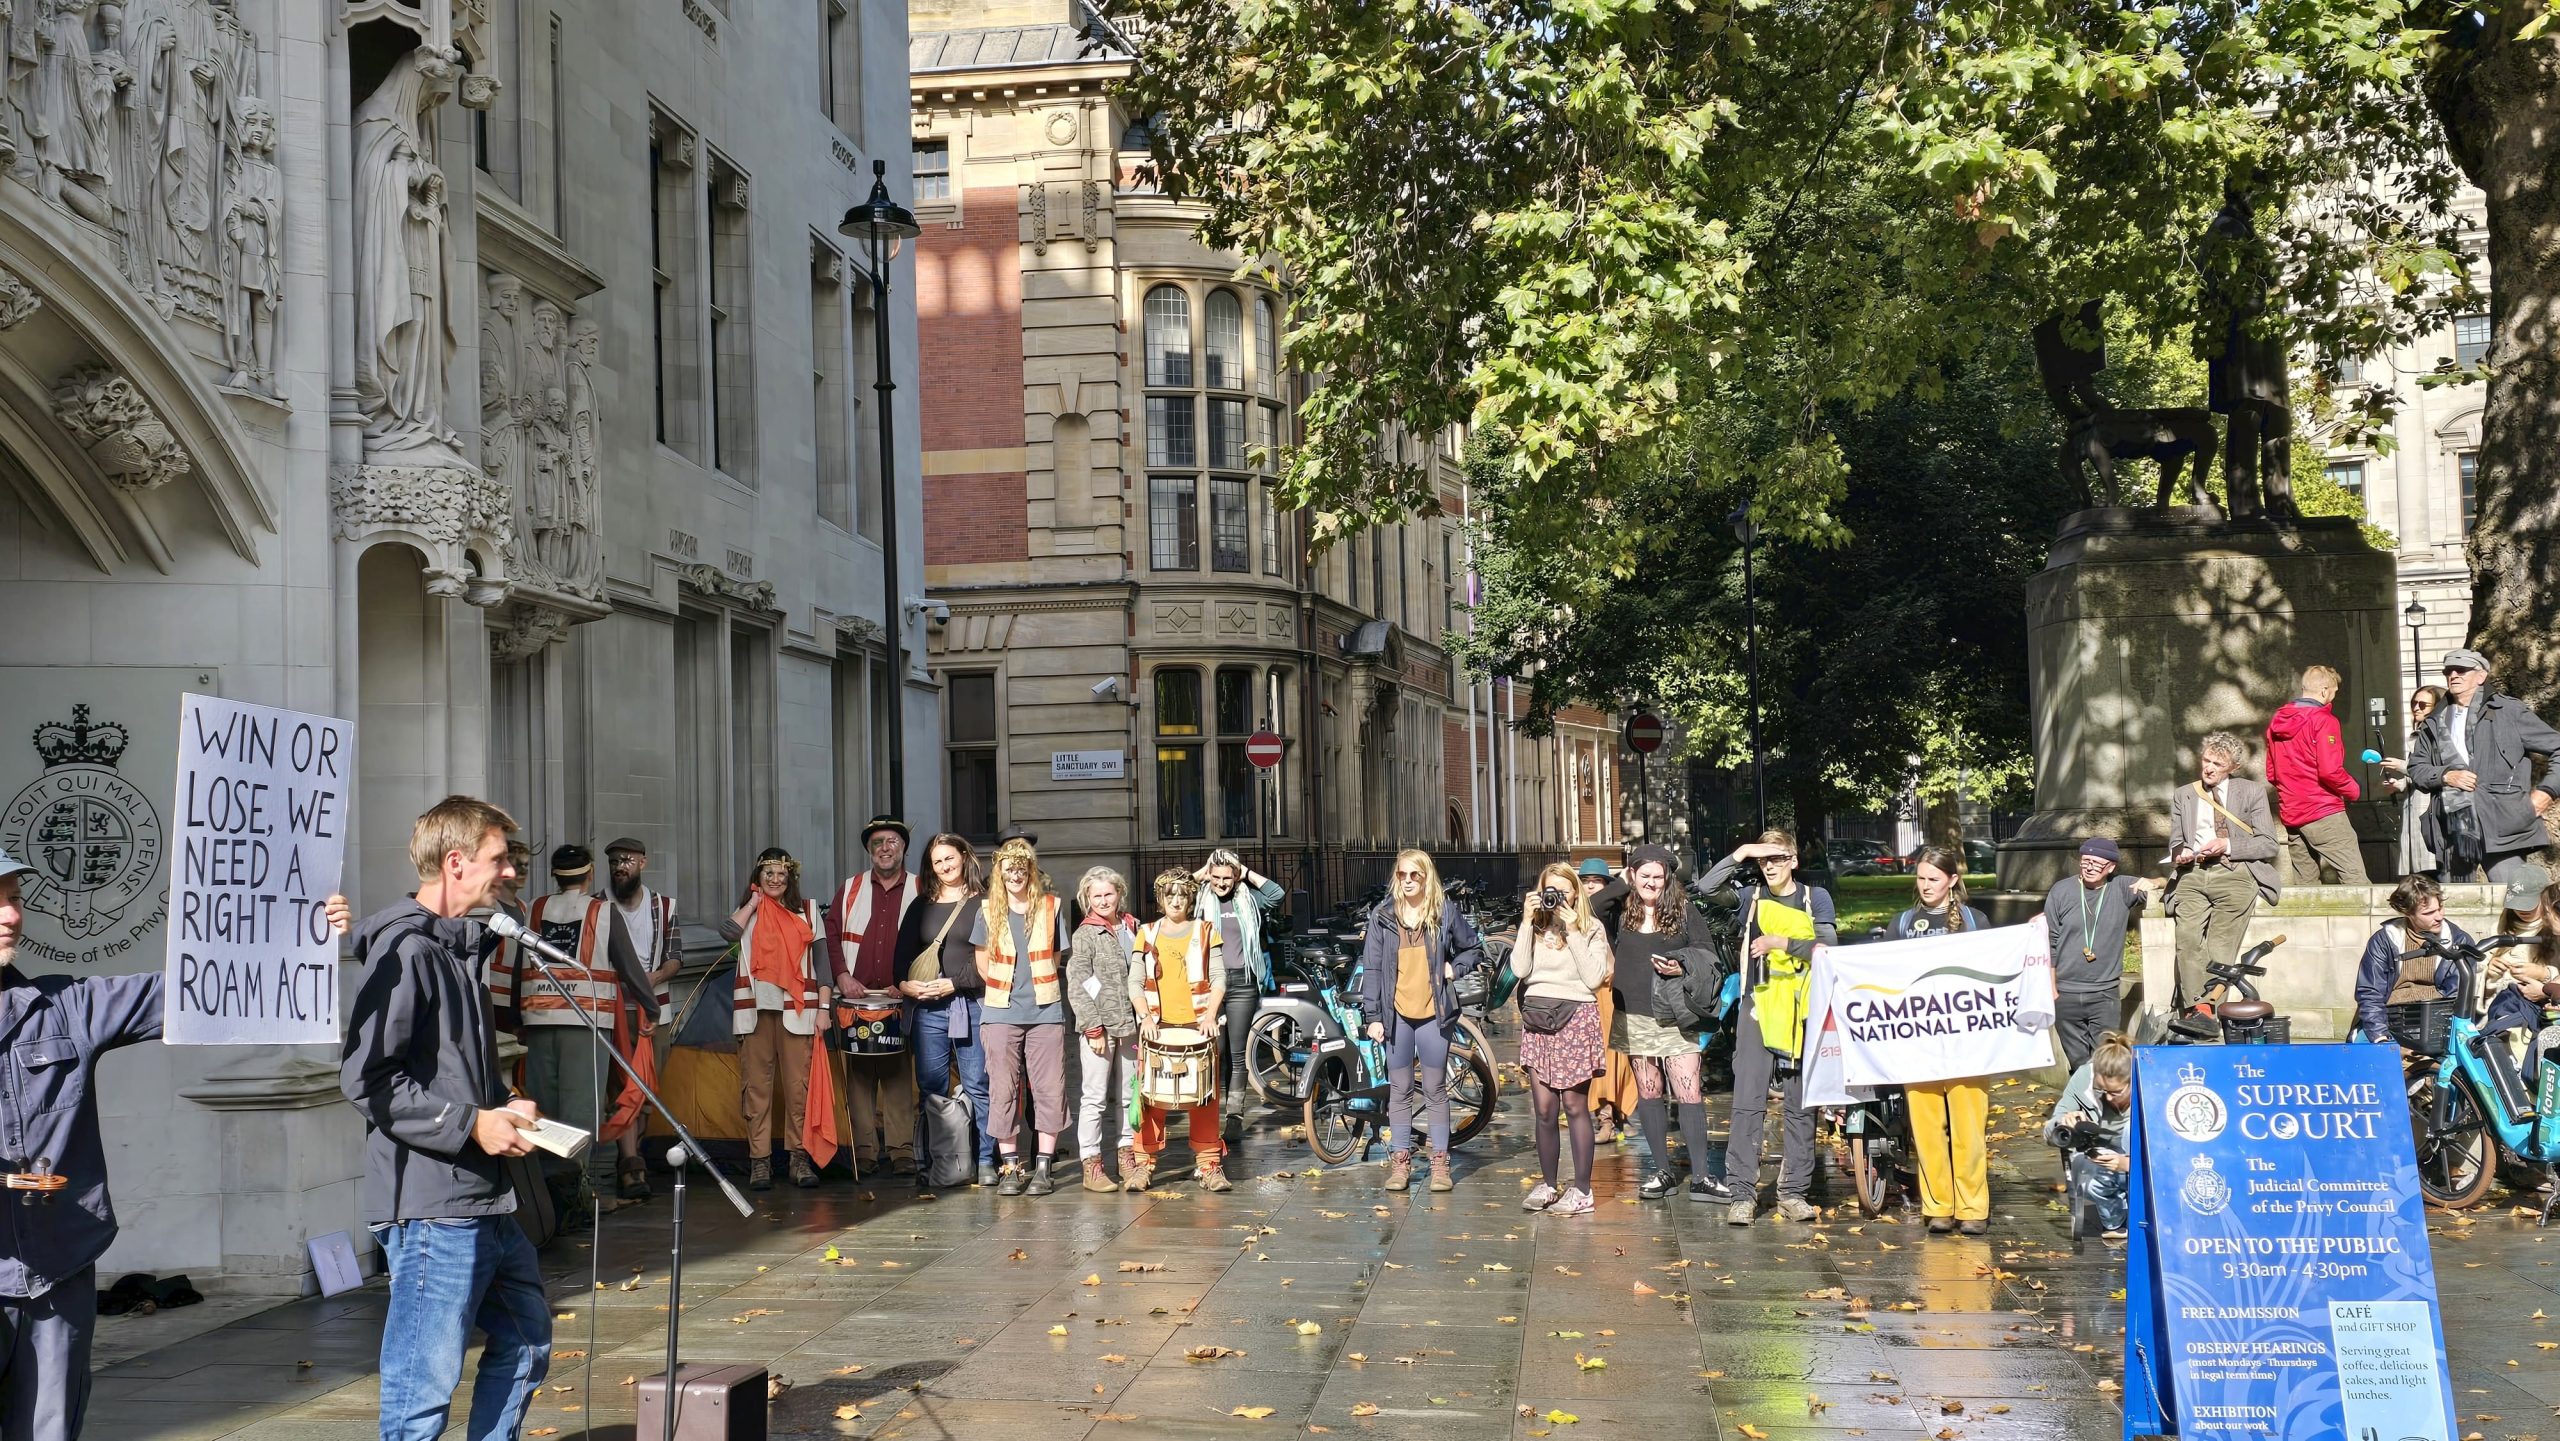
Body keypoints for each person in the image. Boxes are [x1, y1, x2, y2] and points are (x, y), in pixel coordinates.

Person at [1, 853, 338, 1441]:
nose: (10, 915)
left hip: (53, 1274)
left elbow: (198, 990)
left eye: (15, 898)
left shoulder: (65, 1007)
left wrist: (301, 932)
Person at [342, 797, 555, 1441]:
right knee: (423, 1383)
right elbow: (367, 1079)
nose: (513, 874)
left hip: (483, 1196)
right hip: (434, 1206)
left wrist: (504, 1104)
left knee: (526, 1339)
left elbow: (451, 1067)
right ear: (457, 863)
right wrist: (471, 1124)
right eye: (501, 860)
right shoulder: (408, 951)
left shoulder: (461, 947)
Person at [487, 843, 650, 1218]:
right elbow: (629, 966)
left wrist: (516, 1018)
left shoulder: (536, 909)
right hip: (586, 1021)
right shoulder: (602, 910)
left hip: (538, 1022)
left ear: (556, 875)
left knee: (545, 1111)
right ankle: (582, 1196)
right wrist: (651, 1007)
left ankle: (549, 1200)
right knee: (582, 1113)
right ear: (590, 874)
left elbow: (517, 967)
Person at [1703, 831, 1837, 1224]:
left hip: (1802, 1010)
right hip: (1758, 1008)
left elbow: (1827, 944)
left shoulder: (1816, 898)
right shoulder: (1750, 899)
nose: (1771, 865)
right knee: (1747, 1101)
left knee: (1800, 1103)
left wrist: (1782, 942)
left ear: (1794, 859)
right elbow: (1707, 888)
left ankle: (1793, 1192)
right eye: (1764, 860)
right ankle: (1742, 1193)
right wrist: (1741, 852)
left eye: (1779, 857)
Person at [1590, 845, 1724, 1202]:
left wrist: (1681, 965)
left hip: (1676, 1013)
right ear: (1633, 876)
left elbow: (1706, 950)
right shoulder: (1620, 911)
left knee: (1688, 1089)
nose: (1651, 882)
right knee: (1649, 1092)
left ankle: (1701, 1176)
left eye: (1658, 876)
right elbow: (1592, 906)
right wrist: (1623, 881)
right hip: (1633, 1012)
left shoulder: (1683, 909)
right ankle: (1662, 1171)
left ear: (1668, 879)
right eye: (1644, 875)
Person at [1355, 849, 1485, 1194]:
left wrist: (1452, 969)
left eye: (1415, 875)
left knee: (1435, 1089)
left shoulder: (1444, 912)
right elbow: (1371, 969)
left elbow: (1473, 948)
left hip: (1434, 1015)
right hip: (1396, 1017)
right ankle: (1400, 1163)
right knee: (1399, 1091)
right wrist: (1373, 1017)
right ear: (1395, 878)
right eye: (1402, 875)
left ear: (1427, 877)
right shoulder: (1382, 917)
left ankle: (1440, 1164)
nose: (1409, 881)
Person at [1888, 847, 1995, 1236]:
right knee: (1928, 1130)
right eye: (1920, 878)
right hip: (1919, 1045)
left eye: (1934, 878)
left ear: (1952, 880)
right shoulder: (1902, 922)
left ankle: (1973, 1208)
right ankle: (1938, 1208)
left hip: (1968, 1044)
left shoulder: (1974, 920)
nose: (1926, 885)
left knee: (1969, 1129)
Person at [720, 848, 833, 1190]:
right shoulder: (747, 913)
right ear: (758, 877)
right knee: (756, 1090)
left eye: (781, 874)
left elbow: (824, 966)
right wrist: (754, 903)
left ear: (790, 878)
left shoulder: (808, 911)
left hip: (799, 1013)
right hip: (755, 1012)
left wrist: (824, 1010)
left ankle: (799, 1159)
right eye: (768, 873)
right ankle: (760, 1162)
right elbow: (727, 933)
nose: (775, 879)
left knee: (798, 1089)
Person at [970, 838, 1073, 1195]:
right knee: (1002, 1089)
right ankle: (1010, 1168)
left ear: (1031, 870)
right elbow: (982, 961)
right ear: (999, 872)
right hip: (1000, 1012)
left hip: (1045, 1011)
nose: (1015, 874)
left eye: (1021, 868)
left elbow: (1056, 958)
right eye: (1009, 869)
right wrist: (1005, 992)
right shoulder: (987, 911)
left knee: (1049, 1088)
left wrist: (1034, 990)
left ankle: (1043, 1167)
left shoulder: (1050, 906)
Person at [2407, 648, 2560, 885]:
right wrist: (2446, 775)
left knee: (2517, 899)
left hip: (2503, 824)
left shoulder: (2508, 711)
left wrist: (2546, 793)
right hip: (2452, 827)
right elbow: (2416, 768)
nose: (2454, 675)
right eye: (2449, 671)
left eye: (2462, 670)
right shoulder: (2433, 722)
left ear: (2481, 676)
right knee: (2457, 903)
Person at [1514, 862, 1611, 1216]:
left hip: (1575, 1016)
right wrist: (1526, 922)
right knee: (1543, 1109)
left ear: (1576, 892)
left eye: (1563, 889)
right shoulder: (1535, 927)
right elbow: (1519, 970)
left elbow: (1593, 979)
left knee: (1573, 1105)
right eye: (1549, 889)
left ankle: (1582, 1190)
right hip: (1538, 1017)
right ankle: (1549, 1184)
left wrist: (1573, 931)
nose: (1556, 896)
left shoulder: (1591, 927)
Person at [898, 834, 994, 1186]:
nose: (944, 866)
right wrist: (905, 985)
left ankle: (985, 1160)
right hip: (928, 1011)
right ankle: (933, 1164)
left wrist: (954, 983)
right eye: (937, 861)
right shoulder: (920, 905)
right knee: (930, 1089)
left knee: (978, 1085)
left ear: (964, 857)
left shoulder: (984, 903)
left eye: (949, 858)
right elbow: (901, 958)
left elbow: (989, 961)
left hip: (970, 1004)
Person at [1128, 869, 1232, 1193]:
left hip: (1197, 1028)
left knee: (1205, 1098)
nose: (1176, 901)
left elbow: (1219, 978)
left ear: (1191, 898)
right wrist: (1144, 1016)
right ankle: (1143, 1165)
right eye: (1169, 895)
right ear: (1160, 899)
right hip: (1157, 1028)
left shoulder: (1205, 931)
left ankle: (1209, 1165)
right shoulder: (1146, 932)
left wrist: (1210, 1016)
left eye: (1182, 895)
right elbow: (1134, 982)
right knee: (1150, 1101)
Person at [2166, 732, 2282, 1010]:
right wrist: (2180, 852)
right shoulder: (2184, 794)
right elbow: (2175, 840)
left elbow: (2268, 844)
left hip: (2235, 873)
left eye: (2217, 764)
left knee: (2221, 948)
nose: (2208, 768)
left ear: (2233, 768)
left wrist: (2227, 845)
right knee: (2188, 941)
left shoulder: (2251, 792)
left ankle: (2210, 1010)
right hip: (2192, 874)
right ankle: (2197, 1010)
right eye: (2206, 760)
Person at [833, 818, 920, 1177]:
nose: (885, 848)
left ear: (903, 848)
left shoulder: (920, 886)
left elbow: (930, 941)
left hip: (901, 997)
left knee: (899, 1076)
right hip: (856, 998)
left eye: (893, 841)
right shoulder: (851, 888)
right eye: (878, 842)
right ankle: (865, 1150)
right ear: (870, 850)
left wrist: (909, 981)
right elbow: (832, 933)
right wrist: (841, 976)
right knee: (859, 1077)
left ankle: (902, 1151)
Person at [2040, 838, 2165, 1074]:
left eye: (2097, 864)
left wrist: (2153, 881)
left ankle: (2105, 1107)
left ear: (2111, 867)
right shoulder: (2061, 891)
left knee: (2105, 1062)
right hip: (2066, 992)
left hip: (2104, 993)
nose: (2089, 867)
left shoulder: (2121, 887)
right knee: (2078, 1064)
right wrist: (2052, 988)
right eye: (2085, 861)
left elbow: (2166, 886)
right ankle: (2083, 1106)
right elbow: (2050, 942)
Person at [603, 838, 681, 1199]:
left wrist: (654, 978)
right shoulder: (597, 906)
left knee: (647, 1090)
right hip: (613, 1013)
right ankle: (629, 1166)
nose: (621, 866)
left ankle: (636, 1161)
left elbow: (675, 957)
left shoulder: (664, 907)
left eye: (628, 860)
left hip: (655, 1013)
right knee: (621, 1091)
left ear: (643, 863)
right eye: (615, 861)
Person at [1194, 849, 1285, 1141]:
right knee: (1212, 1051)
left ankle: (1234, 1116)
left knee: (1236, 1054)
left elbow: (1277, 893)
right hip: (1209, 984)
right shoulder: (1199, 900)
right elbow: (1175, 886)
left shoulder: (1248, 899)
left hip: (1244, 982)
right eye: (1216, 877)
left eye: (1227, 878)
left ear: (1235, 877)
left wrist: (1245, 872)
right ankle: (1206, 1113)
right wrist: (1203, 872)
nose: (1221, 884)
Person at [1065, 866, 1143, 1191]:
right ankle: (1091, 1164)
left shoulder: (1133, 926)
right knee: (1094, 1097)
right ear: (1087, 899)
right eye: (1096, 895)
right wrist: (1092, 1028)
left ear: (1119, 893)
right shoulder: (1085, 934)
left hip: (1132, 1025)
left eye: (1108, 893)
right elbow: (1079, 982)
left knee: (1128, 1095)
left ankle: (1127, 1156)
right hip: (1100, 1029)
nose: (1103, 900)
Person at [2264, 664, 2369, 885]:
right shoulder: (2323, 720)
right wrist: (2354, 789)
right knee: (2356, 881)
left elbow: (2272, 773)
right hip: (2323, 811)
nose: (2332, 697)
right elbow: (2330, 771)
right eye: (2333, 692)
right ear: (2323, 690)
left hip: (2292, 813)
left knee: (2306, 888)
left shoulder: (2277, 721)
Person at [2353, 875, 2474, 1046]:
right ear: (2408, 913)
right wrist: (2379, 1034)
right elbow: (2370, 992)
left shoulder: (2459, 941)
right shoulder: (2384, 940)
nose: (2439, 916)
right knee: (2362, 1055)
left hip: (2435, 1020)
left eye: (2440, 908)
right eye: (2429, 913)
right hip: (2391, 1020)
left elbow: (2457, 995)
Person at [1576, 857, 1645, 1150]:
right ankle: (1604, 1114)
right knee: (1597, 1052)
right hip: (1588, 990)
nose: (1591, 886)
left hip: (1616, 986)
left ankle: (1622, 1110)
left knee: (1620, 1051)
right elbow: (1592, 906)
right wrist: (1621, 881)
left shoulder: (1618, 910)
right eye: (1586, 881)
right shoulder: (1579, 911)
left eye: (1597, 881)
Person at [2044, 1031, 2135, 1240]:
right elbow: (2048, 1132)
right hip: (2100, 1158)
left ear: (2132, 1081)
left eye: (2116, 1092)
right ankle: (2115, 1221)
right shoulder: (2085, 1078)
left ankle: (2141, 1210)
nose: (2109, 1097)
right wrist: (2065, 1124)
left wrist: (2128, 1164)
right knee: (2087, 1177)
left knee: (2131, 1130)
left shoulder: (2150, 1081)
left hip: (2144, 1161)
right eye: (2102, 1090)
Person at [2384, 686, 2448, 880]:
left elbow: (2433, 770)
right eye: (2413, 703)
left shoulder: (2439, 734)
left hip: (2430, 808)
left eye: (2423, 704)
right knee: (2419, 872)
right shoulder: (2418, 733)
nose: (2416, 708)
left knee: (2431, 868)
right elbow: (2417, 775)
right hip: (2415, 806)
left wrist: (2402, 765)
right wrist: (2400, 784)